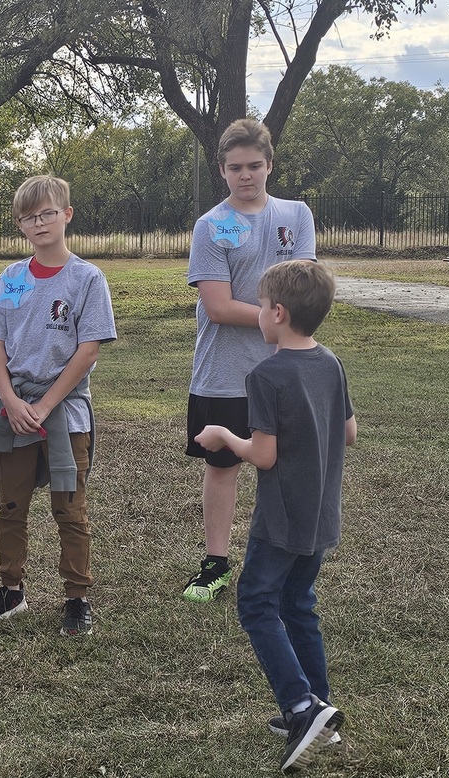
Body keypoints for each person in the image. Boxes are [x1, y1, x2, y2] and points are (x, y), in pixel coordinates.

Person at [195, 259, 355, 773]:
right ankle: (320, 711)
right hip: (322, 511)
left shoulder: (266, 374)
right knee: (298, 602)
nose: (258, 314)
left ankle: (301, 705)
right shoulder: (330, 362)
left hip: (282, 516)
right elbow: (349, 433)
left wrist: (222, 435)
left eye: (261, 306)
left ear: (277, 313)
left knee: (257, 602)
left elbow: (262, 456)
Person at [0, 174, 116, 636]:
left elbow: (89, 349)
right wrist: (12, 400)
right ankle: (11, 589)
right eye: (29, 217)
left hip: (65, 411)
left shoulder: (87, 278)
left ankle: (77, 597)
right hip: (14, 410)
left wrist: (48, 403)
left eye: (48, 213)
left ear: (66, 215)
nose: (40, 223)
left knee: (69, 510)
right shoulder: (11, 278)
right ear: (20, 225)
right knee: (11, 505)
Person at [182, 118, 317, 603]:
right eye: (236, 167)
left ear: (269, 165)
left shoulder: (297, 215)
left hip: (287, 371)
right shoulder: (211, 226)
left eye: (254, 166)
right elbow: (217, 307)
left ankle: (281, 566)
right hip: (224, 372)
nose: (246, 175)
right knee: (222, 464)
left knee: (283, 465)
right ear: (222, 170)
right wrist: (279, 320)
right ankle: (215, 565)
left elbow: (304, 288)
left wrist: (283, 327)